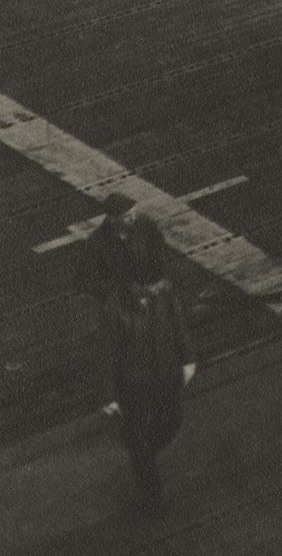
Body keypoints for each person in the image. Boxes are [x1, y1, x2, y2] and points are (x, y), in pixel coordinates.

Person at [77, 194, 196, 508]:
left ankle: (140, 450)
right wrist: (107, 395)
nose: (158, 291)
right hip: (135, 381)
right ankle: (149, 486)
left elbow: (177, 321)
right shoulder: (116, 309)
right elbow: (106, 353)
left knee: (171, 421)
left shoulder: (163, 290)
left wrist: (188, 358)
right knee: (142, 437)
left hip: (164, 371)